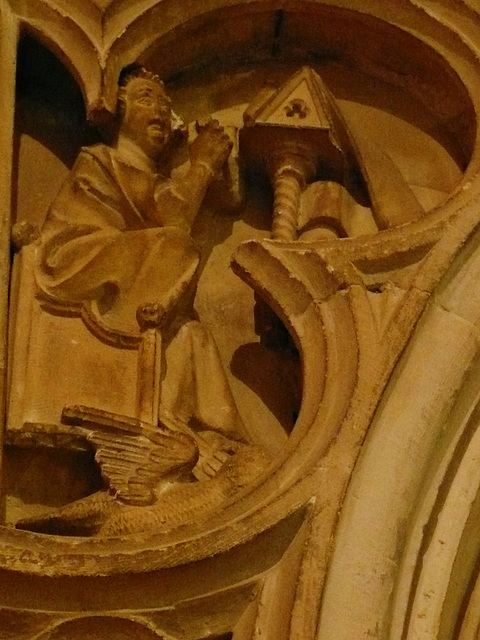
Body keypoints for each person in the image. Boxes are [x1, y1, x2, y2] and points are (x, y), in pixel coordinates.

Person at [35, 67, 248, 458]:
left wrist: (214, 165)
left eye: (167, 106)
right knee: (175, 246)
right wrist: (200, 166)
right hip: (75, 266)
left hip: (133, 286)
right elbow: (173, 220)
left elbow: (190, 204)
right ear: (118, 111)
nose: (161, 112)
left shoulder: (158, 182)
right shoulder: (100, 161)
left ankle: (207, 434)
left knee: (190, 336)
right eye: (146, 99)